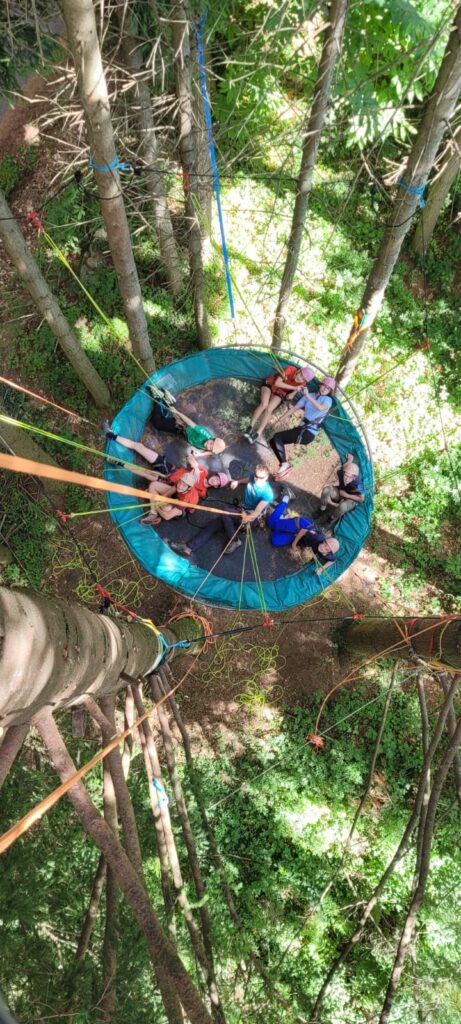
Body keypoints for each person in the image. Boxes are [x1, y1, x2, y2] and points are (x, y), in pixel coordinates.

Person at [101, 423, 229, 523]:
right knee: (140, 447)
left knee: (146, 474)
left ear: (216, 486)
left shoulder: (202, 492)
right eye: (217, 478)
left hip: (169, 483)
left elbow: (184, 497)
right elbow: (189, 457)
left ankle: (118, 462)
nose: (215, 480)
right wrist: (195, 468)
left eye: (218, 483)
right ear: (214, 476)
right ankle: (110, 434)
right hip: (170, 469)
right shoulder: (204, 471)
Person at [171, 464, 274, 558]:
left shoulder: (267, 493)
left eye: (259, 477)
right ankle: (188, 547)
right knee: (215, 524)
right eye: (255, 475)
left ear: (266, 478)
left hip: (251, 518)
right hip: (241, 509)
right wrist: (238, 482)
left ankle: (235, 540)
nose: (256, 478)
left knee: (225, 513)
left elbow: (255, 514)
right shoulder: (253, 477)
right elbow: (249, 478)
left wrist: (246, 516)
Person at [269, 375, 336, 477]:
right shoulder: (311, 395)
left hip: (308, 432)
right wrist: (280, 420)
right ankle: (284, 468)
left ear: (330, 391)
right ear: (320, 385)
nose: (325, 389)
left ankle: (285, 464)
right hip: (301, 429)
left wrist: (308, 396)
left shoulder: (327, 400)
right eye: (324, 386)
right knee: (273, 440)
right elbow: (295, 407)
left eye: (328, 388)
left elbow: (320, 408)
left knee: (278, 437)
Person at [267, 491, 339, 573]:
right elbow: (303, 531)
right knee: (270, 523)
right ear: (324, 541)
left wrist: (321, 569)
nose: (323, 547)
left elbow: (332, 560)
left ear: (328, 552)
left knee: (275, 540)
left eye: (327, 549)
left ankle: (282, 518)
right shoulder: (317, 538)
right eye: (325, 544)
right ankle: (286, 498)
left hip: (298, 536)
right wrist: (294, 544)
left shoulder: (327, 554)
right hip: (300, 526)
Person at [148, 384, 226, 455]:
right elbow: (190, 422)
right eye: (211, 443)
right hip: (182, 426)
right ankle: (158, 398)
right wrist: (176, 412)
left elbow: (210, 453)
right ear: (213, 438)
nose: (208, 446)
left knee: (163, 420)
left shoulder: (212, 450)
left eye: (211, 447)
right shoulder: (204, 433)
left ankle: (169, 401)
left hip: (184, 433)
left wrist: (200, 454)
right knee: (157, 423)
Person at [244, 365, 315, 442]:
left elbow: (290, 396)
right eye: (300, 374)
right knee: (264, 404)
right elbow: (277, 383)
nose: (299, 378)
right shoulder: (291, 369)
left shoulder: (302, 384)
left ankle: (258, 432)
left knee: (269, 409)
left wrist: (293, 393)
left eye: (303, 379)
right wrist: (294, 388)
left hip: (281, 391)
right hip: (270, 384)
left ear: (304, 382)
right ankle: (250, 426)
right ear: (299, 371)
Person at [320, 453, 365, 522]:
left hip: (350, 499)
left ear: (354, 477)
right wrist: (350, 461)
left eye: (350, 477)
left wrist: (347, 495)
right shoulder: (341, 473)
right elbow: (343, 468)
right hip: (340, 493)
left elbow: (361, 498)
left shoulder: (358, 483)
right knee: (326, 490)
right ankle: (322, 510)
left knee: (342, 506)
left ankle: (332, 518)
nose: (346, 478)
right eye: (346, 475)